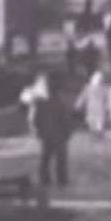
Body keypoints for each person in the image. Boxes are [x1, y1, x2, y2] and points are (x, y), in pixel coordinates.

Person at [34, 71, 74, 203]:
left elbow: (36, 120)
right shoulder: (61, 103)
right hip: (59, 135)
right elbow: (66, 119)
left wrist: (39, 131)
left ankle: (44, 180)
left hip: (47, 134)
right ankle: (61, 181)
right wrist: (68, 132)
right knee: (61, 160)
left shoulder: (41, 103)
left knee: (45, 158)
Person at [75, 70, 108, 134]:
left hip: (92, 106)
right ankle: (98, 132)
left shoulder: (88, 87)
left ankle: (95, 133)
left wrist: (78, 105)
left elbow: (82, 97)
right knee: (98, 120)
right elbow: (107, 98)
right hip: (99, 106)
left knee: (93, 120)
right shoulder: (104, 88)